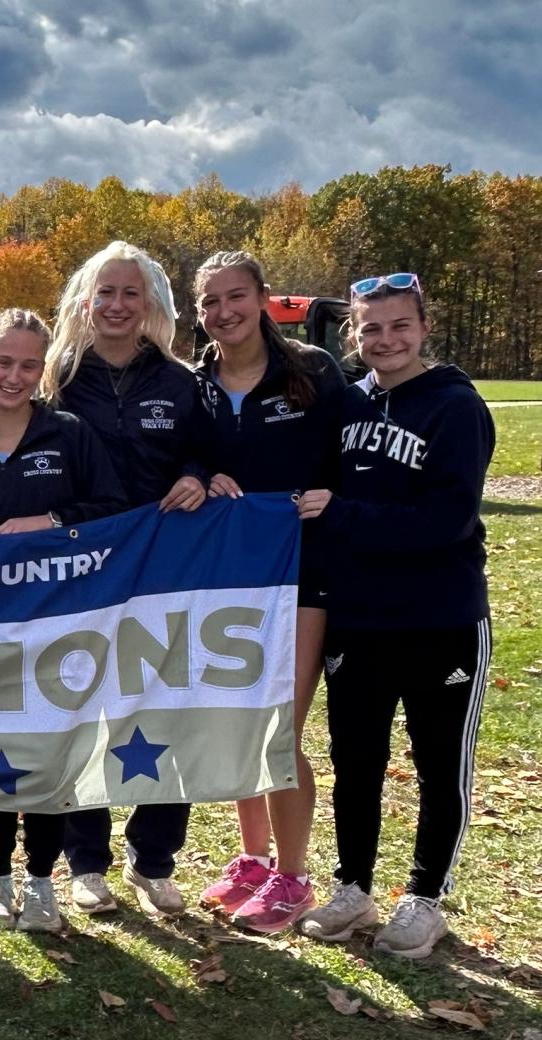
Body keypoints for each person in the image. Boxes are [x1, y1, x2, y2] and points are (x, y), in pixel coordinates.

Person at [295, 272, 494, 958]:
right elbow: (308, 484)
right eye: (371, 327)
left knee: (439, 763)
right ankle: (353, 885)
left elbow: (447, 519)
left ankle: (426, 895)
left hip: (442, 616)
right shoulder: (347, 406)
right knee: (357, 759)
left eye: (399, 325)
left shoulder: (455, 407)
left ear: (423, 327)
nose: (386, 339)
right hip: (361, 615)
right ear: (353, 334)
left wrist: (344, 514)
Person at [42, 241, 206, 916]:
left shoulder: (178, 381)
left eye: (129, 293)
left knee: (168, 710)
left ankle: (155, 857)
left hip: (168, 574)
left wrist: (198, 474)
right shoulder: (60, 375)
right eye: (104, 292)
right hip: (83, 576)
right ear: (85, 301)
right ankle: (87, 860)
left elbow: (206, 453)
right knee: (85, 712)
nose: (115, 305)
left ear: (151, 305)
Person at [0, 308, 127, 931]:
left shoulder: (70, 433)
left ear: (44, 369)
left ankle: (41, 881)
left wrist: (50, 525)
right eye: (2, 362)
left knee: (50, 754)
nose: (14, 376)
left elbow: (112, 510)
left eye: (29, 364)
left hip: (58, 628)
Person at [190, 251, 347, 933]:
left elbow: (354, 452)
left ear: (261, 298)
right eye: (210, 302)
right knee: (237, 718)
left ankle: (294, 874)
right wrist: (203, 472)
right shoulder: (194, 382)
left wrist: (335, 498)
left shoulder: (311, 372)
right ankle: (253, 859)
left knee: (280, 723)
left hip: (302, 572)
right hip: (225, 576)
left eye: (235, 297)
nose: (224, 312)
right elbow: (183, 456)